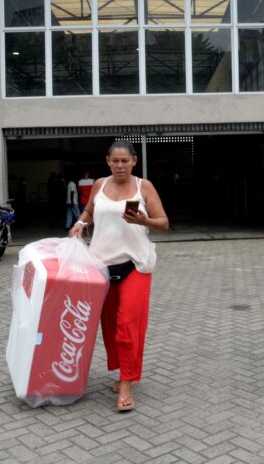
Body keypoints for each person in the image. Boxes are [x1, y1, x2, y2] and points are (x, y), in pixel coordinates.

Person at [69, 141, 169, 411]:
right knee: (111, 327)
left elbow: (163, 222)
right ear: (108, 161)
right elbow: (90, 211)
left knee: (128, 326)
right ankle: (125, 370)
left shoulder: (143, 187)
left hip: (135, 265)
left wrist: (144, 221)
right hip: (101, 267)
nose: (120, 166)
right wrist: (80, 223)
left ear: (134, 161)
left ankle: (126, 383)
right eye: (116, 161)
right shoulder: (99, 185)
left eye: (125, 161)